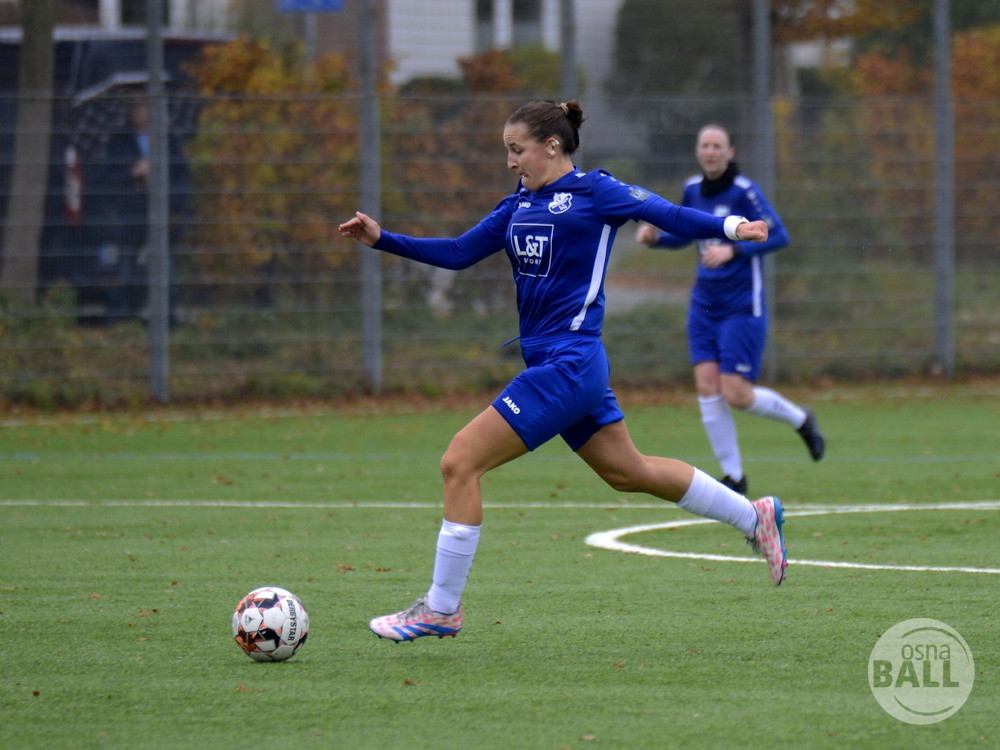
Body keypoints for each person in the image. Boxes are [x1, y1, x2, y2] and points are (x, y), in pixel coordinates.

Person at [339, 100, 788, 644]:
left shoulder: (597, 191)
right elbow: (458, 252)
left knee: (459, 462)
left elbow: (667, 214)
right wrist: (382, 239)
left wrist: (733, 226)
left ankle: (440, 609)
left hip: (570, 363)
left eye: (517, 150)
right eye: (507, 151)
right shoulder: (517, 204)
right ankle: (754, 516)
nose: (510, 162)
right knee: (630, 472)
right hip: (563, 367)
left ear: (552, 146)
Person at [634, 124, 824, 495]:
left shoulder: (744, 191)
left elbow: (779, 234)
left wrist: (733, 249)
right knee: (707, 386)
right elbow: (686, 233)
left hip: (741, 305)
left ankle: (801, 419)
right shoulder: (692, 188)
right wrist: (656, 239)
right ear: (697, 151)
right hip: (704, 305)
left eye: (717, 146)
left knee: (736, 393)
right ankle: (734, 477)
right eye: (704, 145)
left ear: (731, 151)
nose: (710, 152)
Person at [92, 97, 190, 321]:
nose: (136, 110)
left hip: (162, 217)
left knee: (165, 271)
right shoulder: (119, 141)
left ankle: (167, 322)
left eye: (141, 105)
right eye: (132, 105)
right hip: (130, 217)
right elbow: (106, 179)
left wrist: (169, 201)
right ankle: (120, 321)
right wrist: (133, 173)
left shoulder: (170, 140)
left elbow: (182, 180)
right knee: (125, 270)